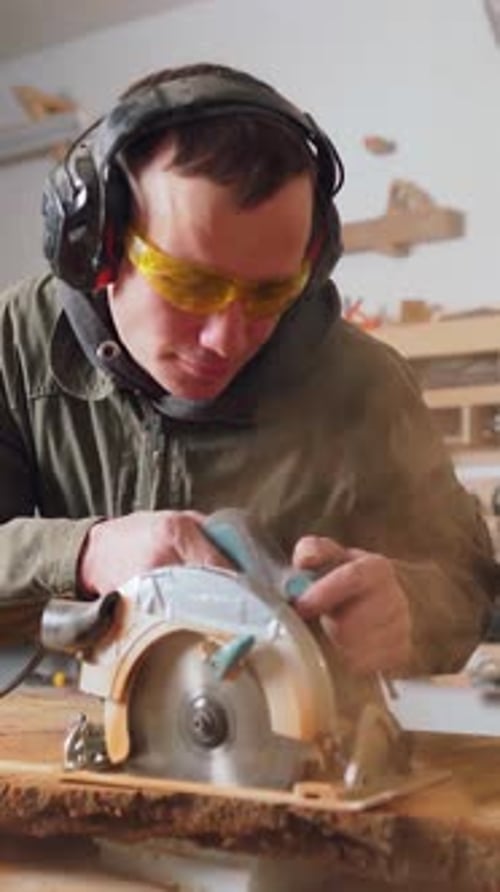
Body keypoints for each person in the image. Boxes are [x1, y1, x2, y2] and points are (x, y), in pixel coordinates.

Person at [0, 62, 496, 678]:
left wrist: (410, 609)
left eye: (270, 293)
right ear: (97, 245)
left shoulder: (368, 386)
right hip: (43, 746)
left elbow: (469, 586)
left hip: (279, 757)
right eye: (189, 283)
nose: (225, 338)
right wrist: (82, 552)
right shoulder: (13, 346)